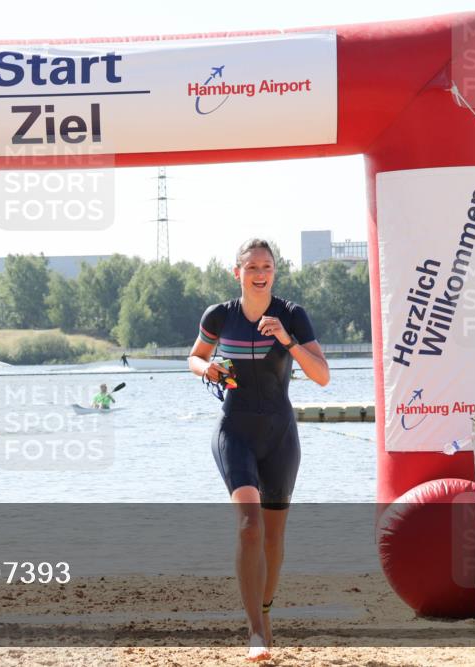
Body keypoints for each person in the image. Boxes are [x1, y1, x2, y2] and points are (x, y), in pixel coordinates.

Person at [187, 238, 329, 662]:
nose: (260, 273)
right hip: (235, 431)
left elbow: (322, 375)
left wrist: (288, 340)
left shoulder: (292, 315)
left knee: (273, 537)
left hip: (279, 435)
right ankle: (255, 633)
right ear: (238, 273)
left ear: (274, 272)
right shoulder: (219, 315)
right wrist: (207, 368)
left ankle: (265, 613)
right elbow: (194, 356)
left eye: (267, 266)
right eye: (252, 267)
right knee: (250, 525)